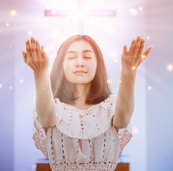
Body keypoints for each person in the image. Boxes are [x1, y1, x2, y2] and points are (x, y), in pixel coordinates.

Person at [21, 35, 152, 171]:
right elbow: (47, 120)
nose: (79, 63)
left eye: (87, 57)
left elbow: (123, 121)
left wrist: (128, 71)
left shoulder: (111, 105)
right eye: (71, 57)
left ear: (98, 64)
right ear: (61, 64)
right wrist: (40, 71)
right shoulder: (53, 106)